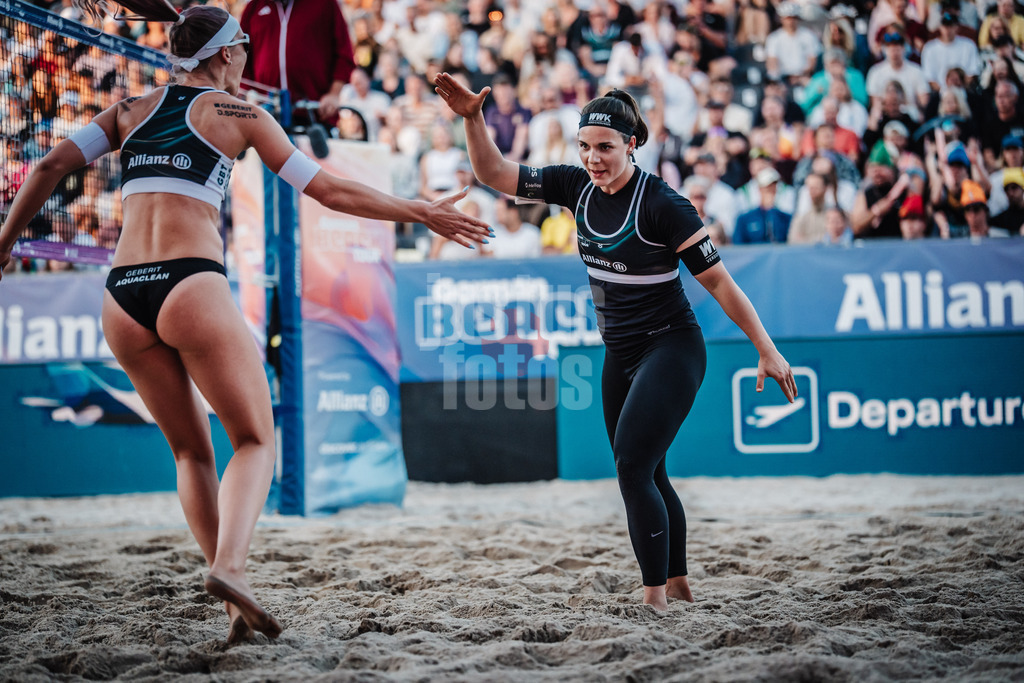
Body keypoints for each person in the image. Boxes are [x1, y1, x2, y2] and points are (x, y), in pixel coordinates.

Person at [0, 2, 489, 642]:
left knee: (189, 452)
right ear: (227, 54)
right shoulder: (242, 115)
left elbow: (47, 167)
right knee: (256, 440)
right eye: (245, 52)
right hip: (188, 284)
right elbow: (328, 190)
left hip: (121, 298)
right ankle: (230, 567)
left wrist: (4, 244)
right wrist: (420, 211)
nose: (247, 64)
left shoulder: (127, 111)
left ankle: (233, 602)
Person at [433, 73, 797, 611]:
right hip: (620, 355)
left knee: (631, 467)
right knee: (647, 470)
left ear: (632, 144)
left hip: (671, 348)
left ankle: (654, 600)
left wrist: (766, 348)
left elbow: (720, 283)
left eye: (604, 147)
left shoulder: (664, 204)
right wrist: (472, 117)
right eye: (584, 146)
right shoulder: (574, 185)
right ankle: (678, 585)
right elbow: (493, 172)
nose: (592, 158)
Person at [239, 0, 356, 126]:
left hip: (315, 112)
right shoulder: (253, 7)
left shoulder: (326, 4)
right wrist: (249, 94)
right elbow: (239, 57)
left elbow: (344, 54)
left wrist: (333, 94)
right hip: (265, 113)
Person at [733, 168, 793, 243]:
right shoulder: (744, 219)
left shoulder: (786, 218)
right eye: (767, 187)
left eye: (773, 187)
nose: (770, 190)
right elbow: (738, 244)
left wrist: (771, 212)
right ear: (760, 189)